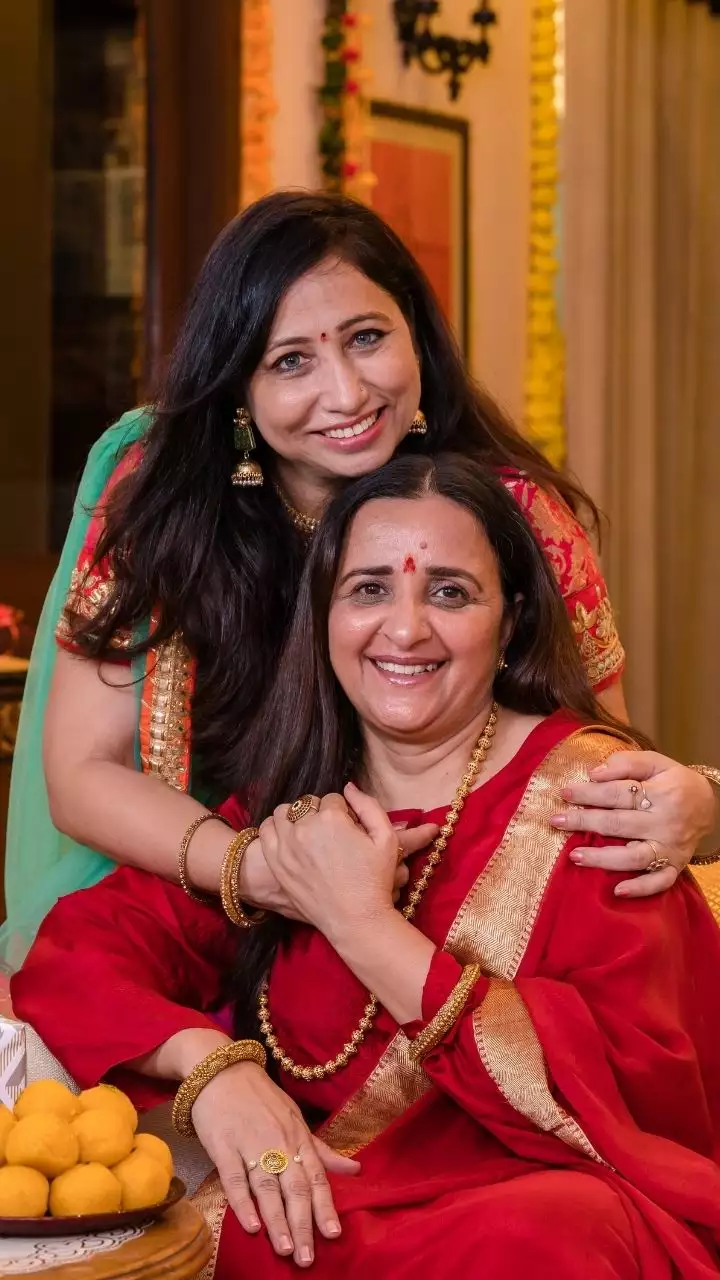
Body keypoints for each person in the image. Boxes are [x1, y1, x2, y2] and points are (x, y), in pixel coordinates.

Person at [13, 455, 720, 1279]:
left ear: (511, 622)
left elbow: (639, 1101)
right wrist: (211, 1070)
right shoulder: (293, 808)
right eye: (369, 589)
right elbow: (79, 956)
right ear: (323, 617)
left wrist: (361, 923)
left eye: (449, 592)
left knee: (554, 1232)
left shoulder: (595, 804)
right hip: (324, 1211)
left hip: (532, 1213)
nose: (406, 629)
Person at [4, 192, 716, 970]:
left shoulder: (513, 515)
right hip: (195, 900)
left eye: (367, 338)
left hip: (438, 928)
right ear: (239, 388)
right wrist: (259, 871)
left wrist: (701, 799)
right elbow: (83, 772)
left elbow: (601, 758)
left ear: (417, 333)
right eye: (290, 361)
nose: (347, 394)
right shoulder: (168, 496)